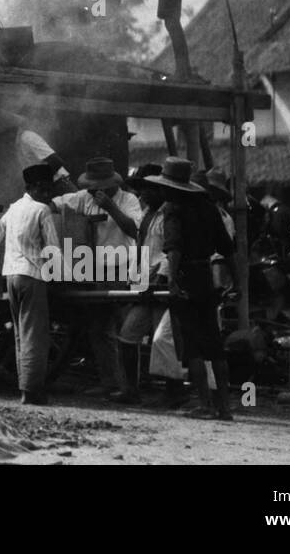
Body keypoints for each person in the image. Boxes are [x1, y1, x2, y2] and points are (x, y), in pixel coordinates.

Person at [147, 156, 238, 420]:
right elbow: (228, 249)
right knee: (215, 344)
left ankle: (205, 405)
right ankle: (225, 407)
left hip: (186, 277)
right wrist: (235, 281)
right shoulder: (209, 208)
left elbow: (174, 250)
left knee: (193, 347)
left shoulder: (173, 209)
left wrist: (173, 281)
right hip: (206, 277)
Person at [53, 157, 144, 403]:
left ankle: (130, 386)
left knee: (125, 329)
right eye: (93, 187)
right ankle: (110, 383)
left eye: (100, 186)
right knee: (99, 329)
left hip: (123, 268)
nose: (96, 191)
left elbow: (135, 229)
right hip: (97, 270)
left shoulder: (129, 200)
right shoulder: (85, 198)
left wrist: (111, 208)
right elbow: (56, 204)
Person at [0, 163, 63, 405]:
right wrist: (61, 275)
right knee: (35, 336)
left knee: (19, 334)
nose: (47, 195)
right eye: (43, 190)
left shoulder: (14, 209)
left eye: (49, 191)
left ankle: (25, 386)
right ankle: (32, 391)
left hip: (12, 278)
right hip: (33, 277)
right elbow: (53, 248)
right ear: (30, 188)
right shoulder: (42, 211)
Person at [118, 165, 184, 407]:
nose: (141, 194)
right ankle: (131, 390)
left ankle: (174, 391)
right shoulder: (148, 214)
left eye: (145, 189)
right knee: (128, 335)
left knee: (163, 340)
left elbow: (171, 250)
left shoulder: (169, 215)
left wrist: (163, 277)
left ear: (158, 189)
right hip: (145, 284)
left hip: (160, 284)